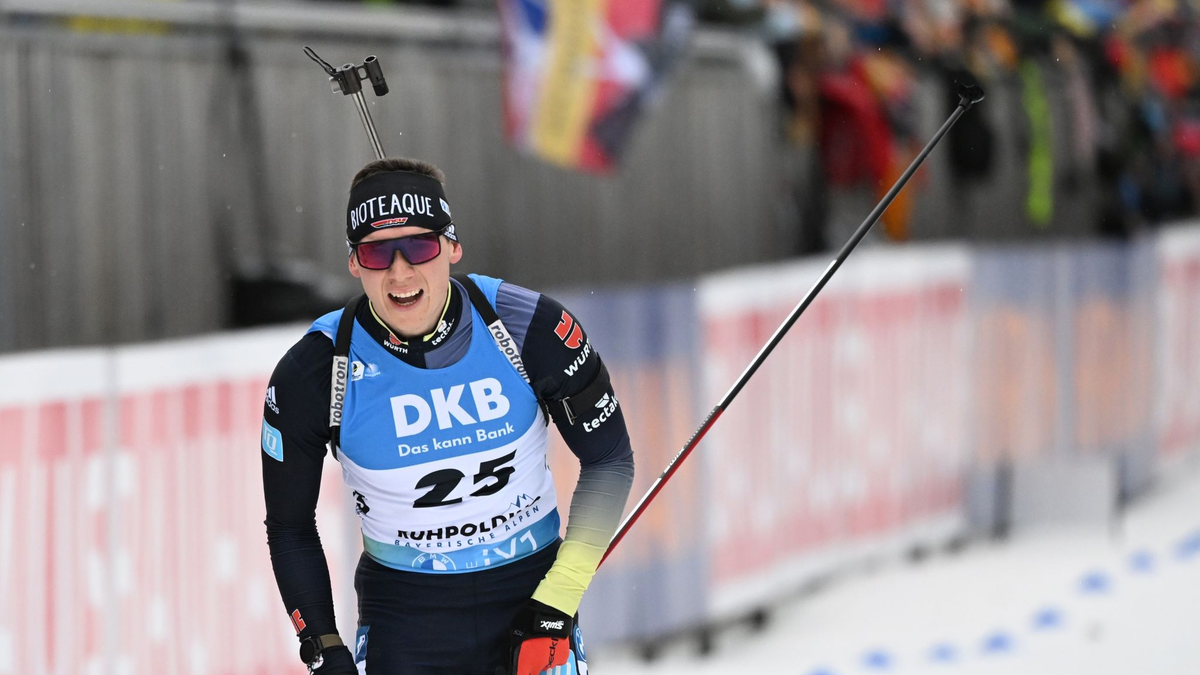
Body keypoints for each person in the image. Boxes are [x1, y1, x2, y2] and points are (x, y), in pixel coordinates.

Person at [261, 157, 635, 674]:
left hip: (531, 598)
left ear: (453, 248)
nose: (400, 271)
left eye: (419, 246)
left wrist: (559, 598)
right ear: (354, 263)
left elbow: (610, 459)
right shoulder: (318, 369)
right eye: (376, 252)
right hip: (407, 618)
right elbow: (290, 526)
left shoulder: (527, 325)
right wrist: (323, 648)